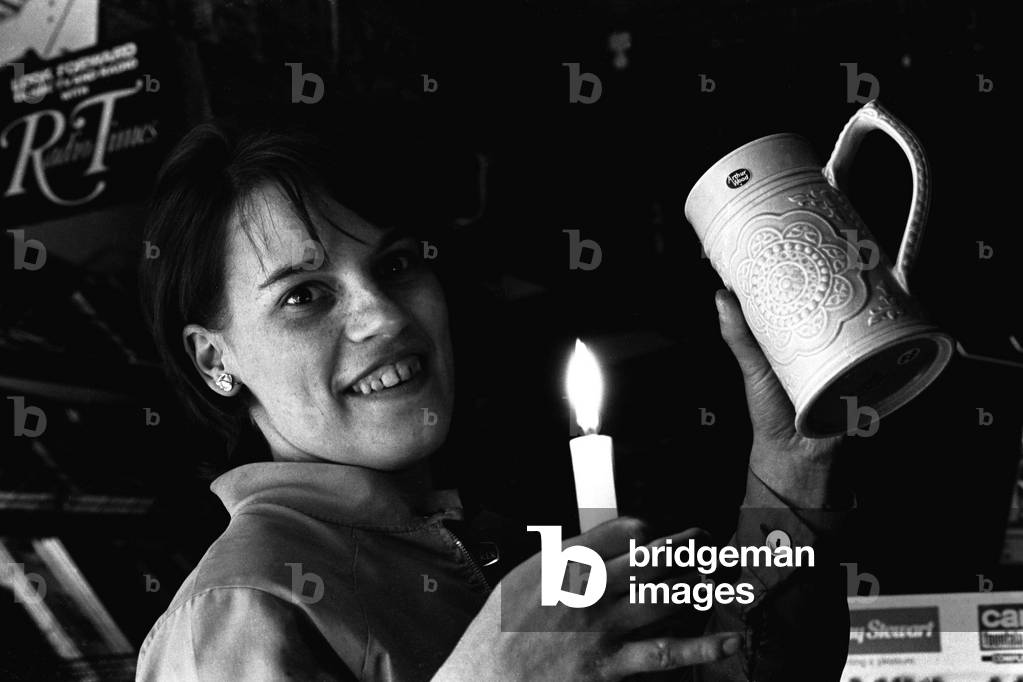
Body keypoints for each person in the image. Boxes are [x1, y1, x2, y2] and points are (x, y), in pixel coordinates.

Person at [135, 123, 851, 681]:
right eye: (303, 295)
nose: (382, 316)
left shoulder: (494, 546)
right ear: (214, 359)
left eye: (396, 265)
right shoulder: (235, 611)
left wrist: (790, 464)